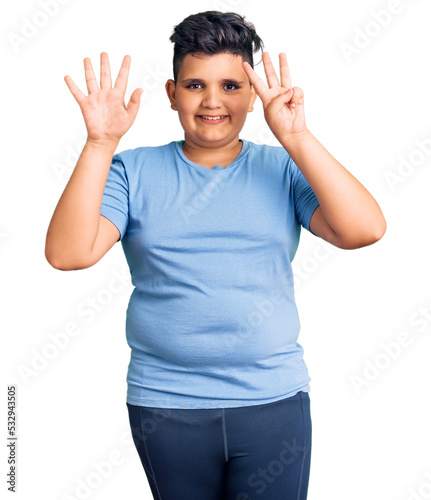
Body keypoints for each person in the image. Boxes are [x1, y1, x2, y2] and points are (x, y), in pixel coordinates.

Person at [45, 10, 386, 500]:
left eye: (230, 85)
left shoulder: (284, 168)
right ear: (171, 93)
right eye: (194, 85)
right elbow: (67, 254)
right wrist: (100, 142)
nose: (211, 102)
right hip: (166, 407)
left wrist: (296, 137)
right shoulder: (131, 171)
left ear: (252, 93)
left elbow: (365, 230)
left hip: (272, 403)